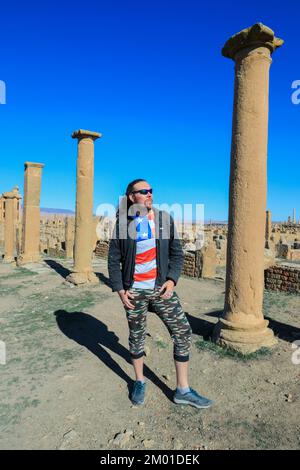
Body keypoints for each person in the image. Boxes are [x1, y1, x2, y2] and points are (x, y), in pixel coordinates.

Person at [108, 178, 213, 409]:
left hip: (160, 289)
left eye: (150, 190)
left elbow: (177, 253)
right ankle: (139, 381)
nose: (149, 194)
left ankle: (183, 390)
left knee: (183, 331)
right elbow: (113, 259)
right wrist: (119, 289)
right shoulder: (122, 224)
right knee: (136, 336)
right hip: (134, 291)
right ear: (131, 197)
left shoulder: (164, 219)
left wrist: (172, 280)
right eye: (143, 191)